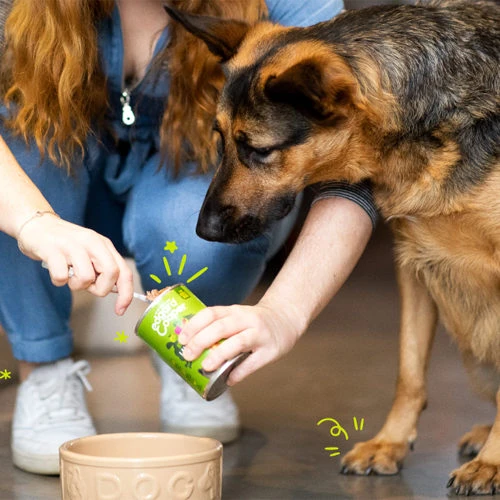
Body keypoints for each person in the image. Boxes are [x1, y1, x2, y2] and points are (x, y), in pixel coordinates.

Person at [0, 0, 375, 476]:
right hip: (56, 179)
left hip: (187, 179)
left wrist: (285, 312)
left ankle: (186, 343)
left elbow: (360, 170)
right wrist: (33, 222)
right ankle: (43, 367)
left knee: (199, 231)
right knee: (18, 137)